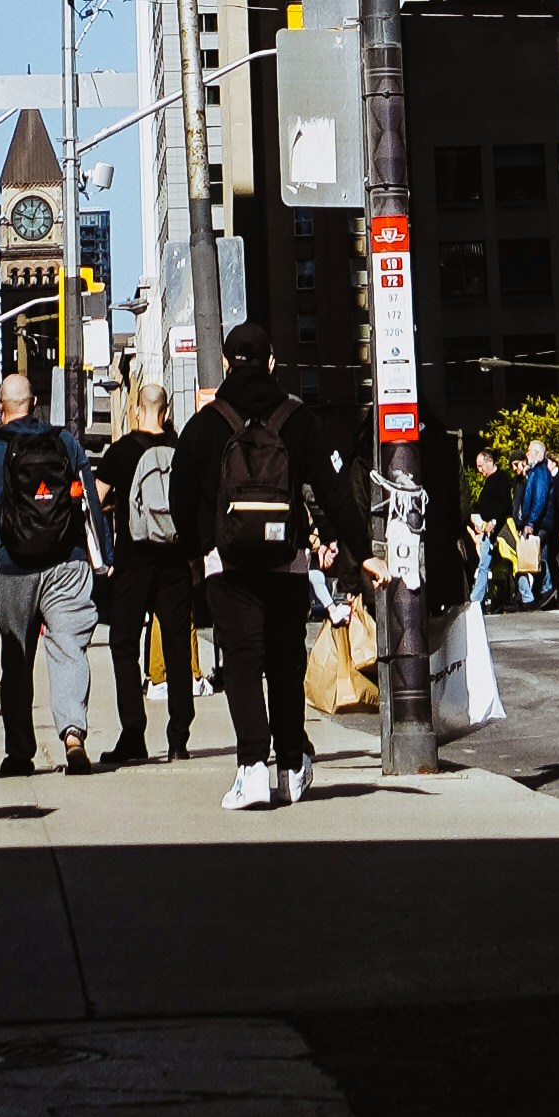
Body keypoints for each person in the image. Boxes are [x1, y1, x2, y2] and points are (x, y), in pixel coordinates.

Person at [172, 326, 324, 808]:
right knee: (285, 663)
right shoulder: (297, 418)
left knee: (242, 662)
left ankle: (252, 768)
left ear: (224, 362)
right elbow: (333, 490)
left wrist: (200, 552)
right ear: (272, 363)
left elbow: (180, 496)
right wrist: (357, 548)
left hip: (230, 566)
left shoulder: (206, 423)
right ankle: (292, 764)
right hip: (287, 563)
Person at [0, 367, 101, 772]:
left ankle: (19, 752)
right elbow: (90, 503)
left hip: (14, 567)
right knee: (68, 649)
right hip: (67, 562)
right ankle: (73, 735)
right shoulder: (65, 443)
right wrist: (103, 556)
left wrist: (3, 529)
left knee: (17, 658)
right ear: (34, 405)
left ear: (0, 408)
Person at [101, 382, 195, 765]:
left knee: (123, 643)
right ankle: (178, 738)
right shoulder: (182, 452)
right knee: (175, 646)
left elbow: (97, 499)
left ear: (136, 410)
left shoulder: (120, 453)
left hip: (132, 560)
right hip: (175, 561)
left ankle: (133, 733)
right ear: (167, 411)